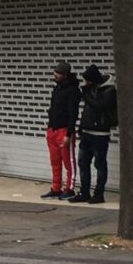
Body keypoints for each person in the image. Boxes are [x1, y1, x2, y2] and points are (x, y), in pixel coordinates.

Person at [70, 64, 116, 204]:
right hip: (87, 132)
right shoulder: (91, 89)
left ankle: (99, 193)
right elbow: (87, 111)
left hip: (100, 134)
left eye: (87, 81)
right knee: (83, 163)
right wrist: (81, 127)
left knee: (100, 164)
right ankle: (84, 192)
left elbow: (99, 106)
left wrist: (86, 95)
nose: (85, 83)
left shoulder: (109, 90)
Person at [41, 62, 80, 199]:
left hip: (64, 130)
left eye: (58, 73)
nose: (55, 75)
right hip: (53, 128)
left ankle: (69, 188)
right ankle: (56, 187)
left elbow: (73, 114)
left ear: (64, 75)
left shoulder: (73, 90)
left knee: (68, 162)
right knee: (55, 161)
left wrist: (69, 134)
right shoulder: (57, 89)